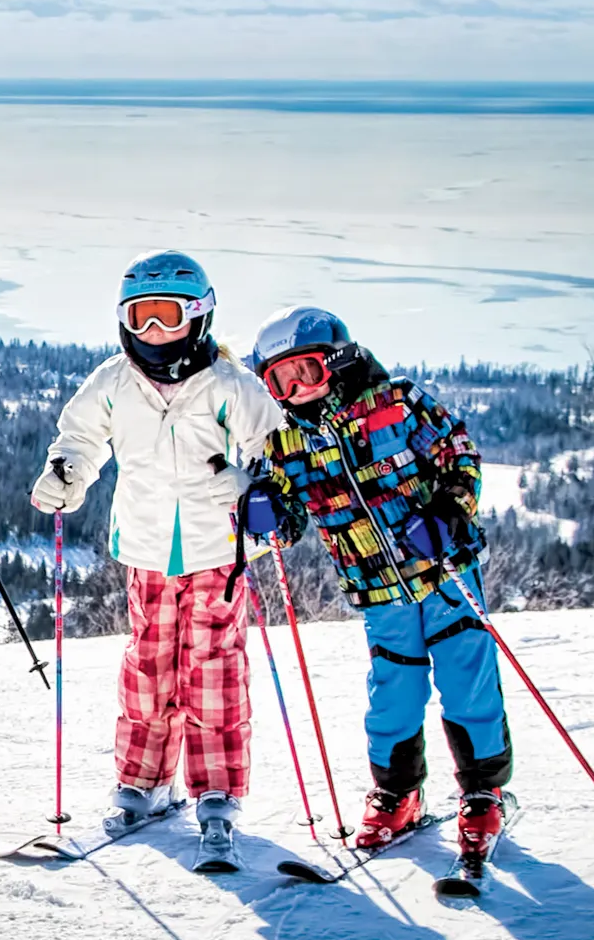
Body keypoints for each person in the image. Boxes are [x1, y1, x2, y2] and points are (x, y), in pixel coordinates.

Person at [28, 250, 282, 870]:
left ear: (197, 316)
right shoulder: (114, 381)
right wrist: (67, 474)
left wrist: (251, 488)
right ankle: (142, 781)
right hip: (146, 548)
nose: (153, 333)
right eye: (139, 318)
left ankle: (216, 792)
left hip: (218, 552)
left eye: (166, 317)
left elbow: (275, 454)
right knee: (148, 666)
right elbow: (81, 438)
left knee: (214, 671)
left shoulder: (232, 386)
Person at [238, 305, 513, 866]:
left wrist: (449, 508)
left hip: (444, 570)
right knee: (393, 691)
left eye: (306, 373)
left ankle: (483, 791)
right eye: (280, 382)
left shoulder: (398, 403)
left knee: (466, 677)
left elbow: (459, 453)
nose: (296, 391)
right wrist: (267, 512)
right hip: (375, 587)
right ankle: (397, 793)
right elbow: (286, 515)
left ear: (337, 363)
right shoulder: (287, 442)